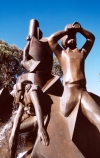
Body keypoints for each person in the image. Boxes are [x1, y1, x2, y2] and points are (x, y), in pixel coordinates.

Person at [48, 22, 100, 132]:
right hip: (69, 94)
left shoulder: (82, 53)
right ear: (63, 41)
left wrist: (80, 29)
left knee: (98, 119)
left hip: (82, 92)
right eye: (68, 37)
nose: (72, 38)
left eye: (74, 36)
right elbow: (51, 39)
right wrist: (66, 31)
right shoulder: (61, 54)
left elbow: (91, 38)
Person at [9, 82, 49, 157]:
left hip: (40, 115)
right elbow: (19, 114)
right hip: (30, 115)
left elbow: (38, 107)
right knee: (12, 131)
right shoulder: (20, 96)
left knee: (39, 132)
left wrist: (41, 128)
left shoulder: (31, 91)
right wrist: (13, 134)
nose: (19, 99)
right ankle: (12, 155)